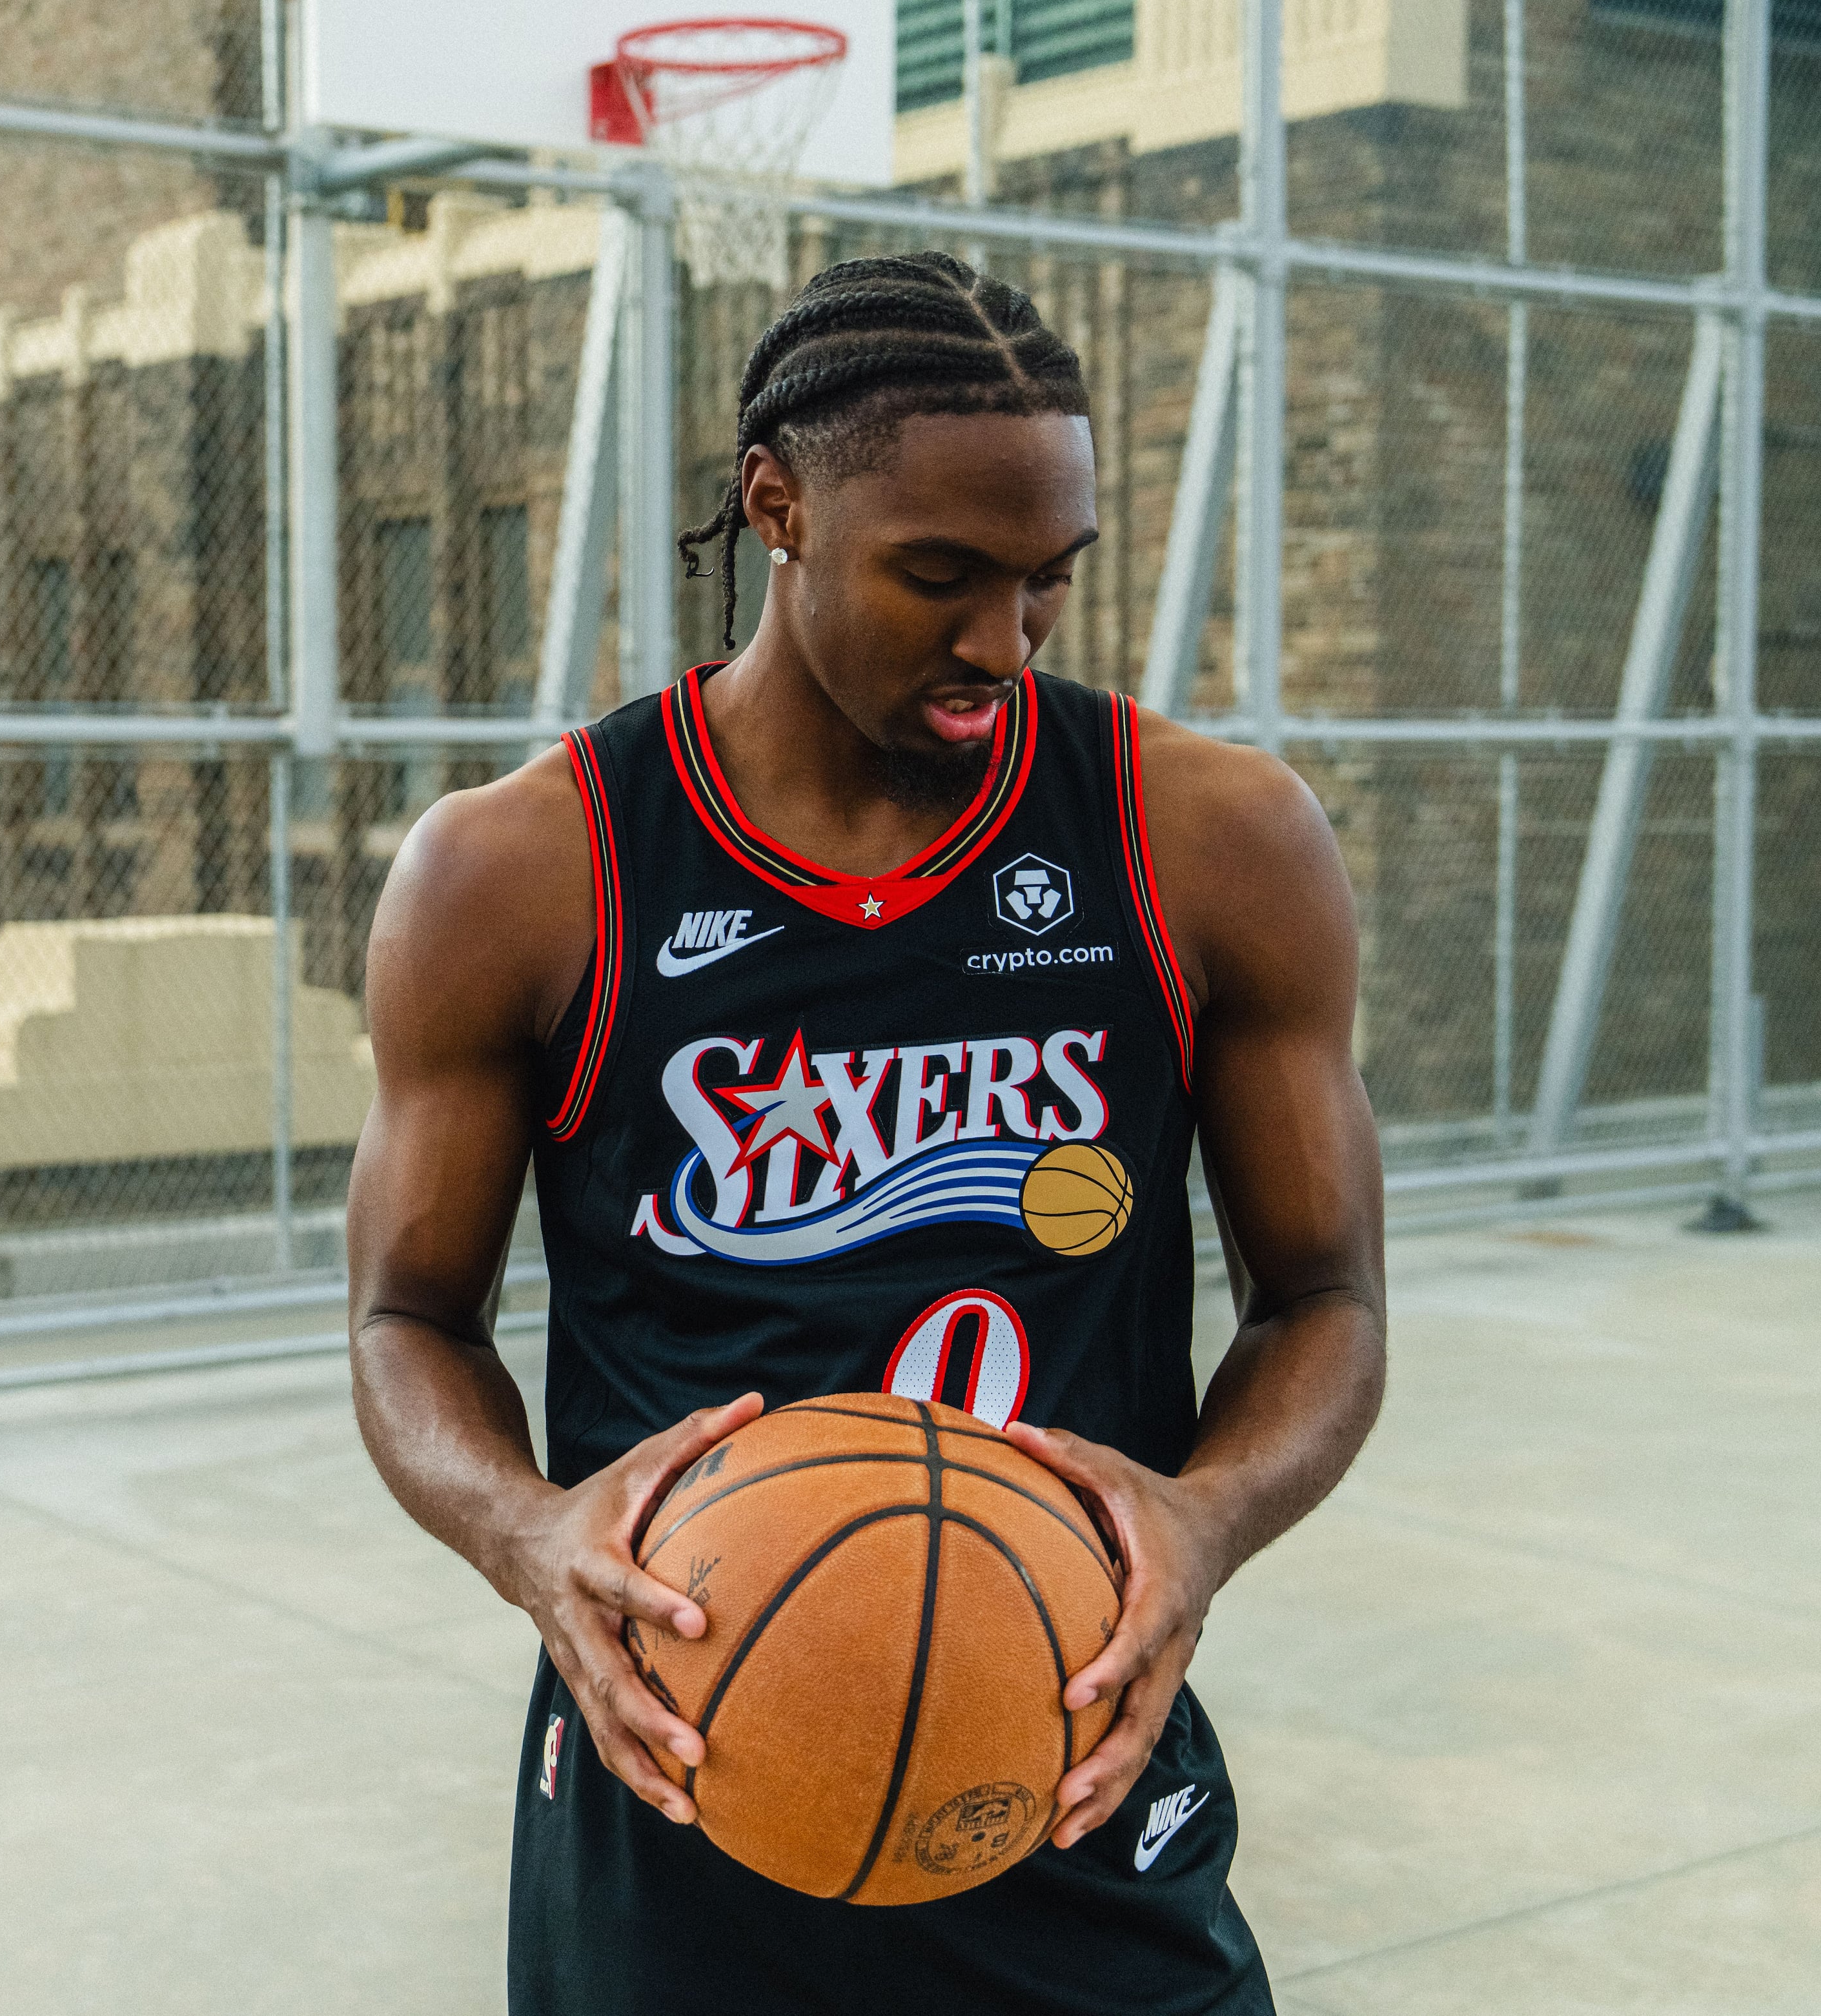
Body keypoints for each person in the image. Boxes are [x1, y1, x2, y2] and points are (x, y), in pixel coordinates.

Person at [345, 250, 1385, 2013]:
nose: (1004, 641)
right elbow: (406, 1324)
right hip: (683, 1751)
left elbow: (1329, 1302)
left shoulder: (1204, 839)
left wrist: (1207, 1522)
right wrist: (530, 1535)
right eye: (941, 578)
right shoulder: (530, 870)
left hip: (1069, 1757)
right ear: (779, 507)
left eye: (1049, 581)